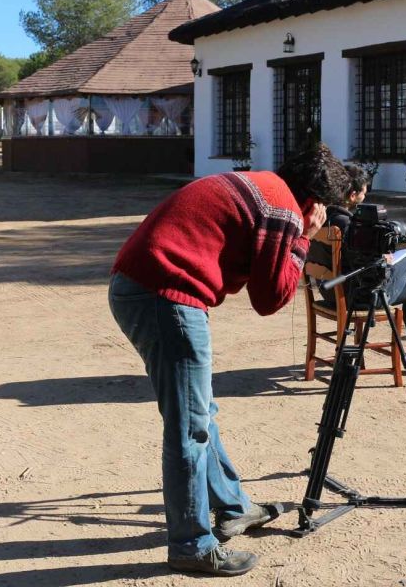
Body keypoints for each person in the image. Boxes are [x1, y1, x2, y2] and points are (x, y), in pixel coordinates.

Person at [109, 143, 349, 577]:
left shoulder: (265, 186)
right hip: (164, 294)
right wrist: (304, 239)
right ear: (314, 202)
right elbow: (269, 298)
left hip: (144, 285)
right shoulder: (285, 211)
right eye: (326, 209)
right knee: (189, 426)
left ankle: (233, 507)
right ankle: (191, 545)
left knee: (198, 412)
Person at [309, 163, 406, 374]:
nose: (366, 194)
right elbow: (370, 273)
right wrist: (385, 257)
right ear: (352, 195)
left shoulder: (322, 218)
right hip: (357, 297)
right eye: (364, 190)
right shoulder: (350, 226)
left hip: (329, 293)